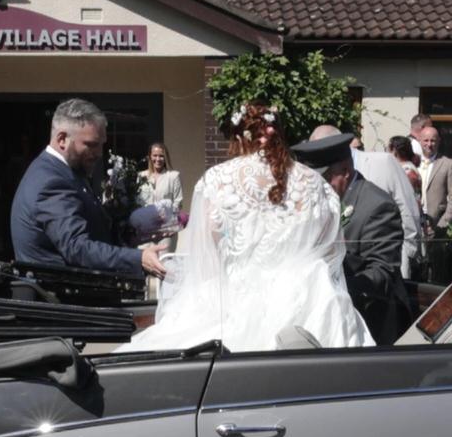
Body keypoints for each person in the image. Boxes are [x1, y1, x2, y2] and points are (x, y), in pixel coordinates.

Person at [122, 102, 372, 353]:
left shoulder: (217, 180)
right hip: (306, 302)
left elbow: (207, 254)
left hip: (234, 300)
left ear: (240, 139)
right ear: (281, 134)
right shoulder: (316, 182)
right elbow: (329, 253)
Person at [10, 99, 164, 278]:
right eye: (91, 144)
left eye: (101, 144)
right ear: (62, 140)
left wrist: (131, 232)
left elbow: (90, 231)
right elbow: (76, 247)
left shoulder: (66, 173)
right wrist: (138, 259)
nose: (99, 153)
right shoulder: (51, 181)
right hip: (64, 299)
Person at [301, 128, 416, 343]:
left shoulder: (377, 206)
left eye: (325, 178)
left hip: (368, 322)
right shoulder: (320, 202)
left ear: (345, 170)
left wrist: (330, 288)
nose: (318, 187)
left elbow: (382, 274)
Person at [322, 125, 421, 279]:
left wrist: (409, 252)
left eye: (326, 177)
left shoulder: (383, 162)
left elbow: (407, 207)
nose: (321, 183)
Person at [415, 124, 452, 232]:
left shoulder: (448, 164)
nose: (429, 144)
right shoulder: (413, 163)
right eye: (426, 140)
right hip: (415, 221)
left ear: (439, 141)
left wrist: (443, 224)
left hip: (437, 223)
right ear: (419, 141)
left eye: (433, 141)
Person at [135, 141, 184, 209]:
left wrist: (166, 216)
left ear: (165, 158)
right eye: (155, 155)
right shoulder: (142, 175)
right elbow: (137, 201)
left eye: (161, 156)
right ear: (150, 157)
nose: (158, 159)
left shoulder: (173, 176)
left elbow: (178, 202)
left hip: (167, 218)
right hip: (145, 218)